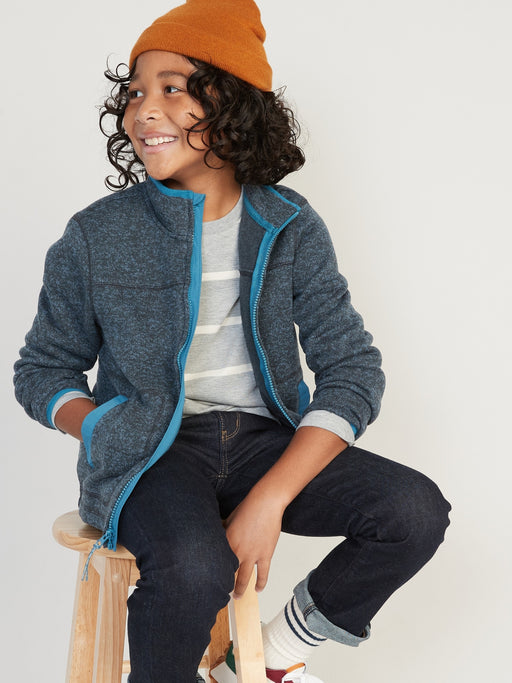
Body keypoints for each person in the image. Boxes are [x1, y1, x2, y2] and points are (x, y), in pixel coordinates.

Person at [13, 1, 451, 681]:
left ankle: (269, 657)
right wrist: (99, 425)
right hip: (152, 454)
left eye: (172, 88)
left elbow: (352, 371)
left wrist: (270, 499)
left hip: (262, 443)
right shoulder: (96, 235)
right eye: (135, 92)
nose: (144, 110)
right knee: (194, 567)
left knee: (412, 511)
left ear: (234, 105)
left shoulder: (290, 225)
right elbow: (43, 369)